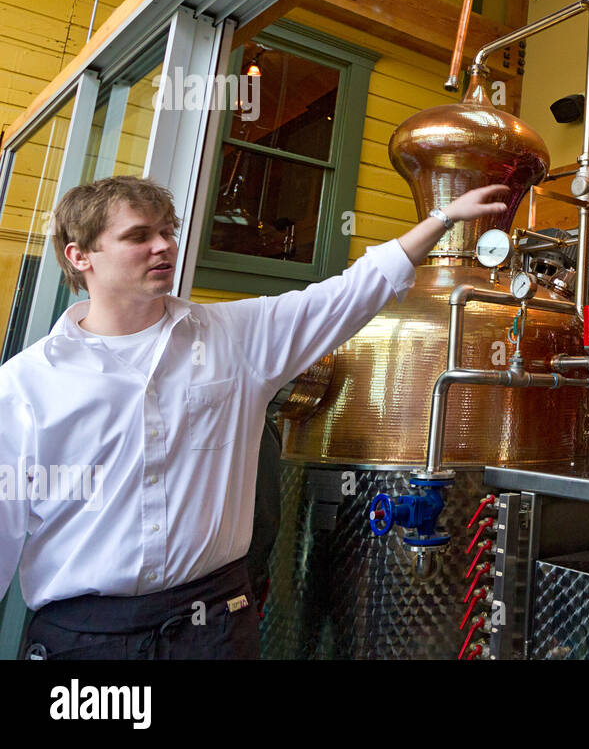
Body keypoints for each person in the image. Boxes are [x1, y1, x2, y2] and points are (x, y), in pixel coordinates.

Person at [0, 175, 509, 659]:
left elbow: (346, 294)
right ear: (80, 255)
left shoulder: (233, 337)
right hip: (86, 637)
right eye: (138, 236)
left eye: (167, 232)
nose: (163, 246)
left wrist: (443, 218)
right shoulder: (27, 383)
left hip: (212, 626)